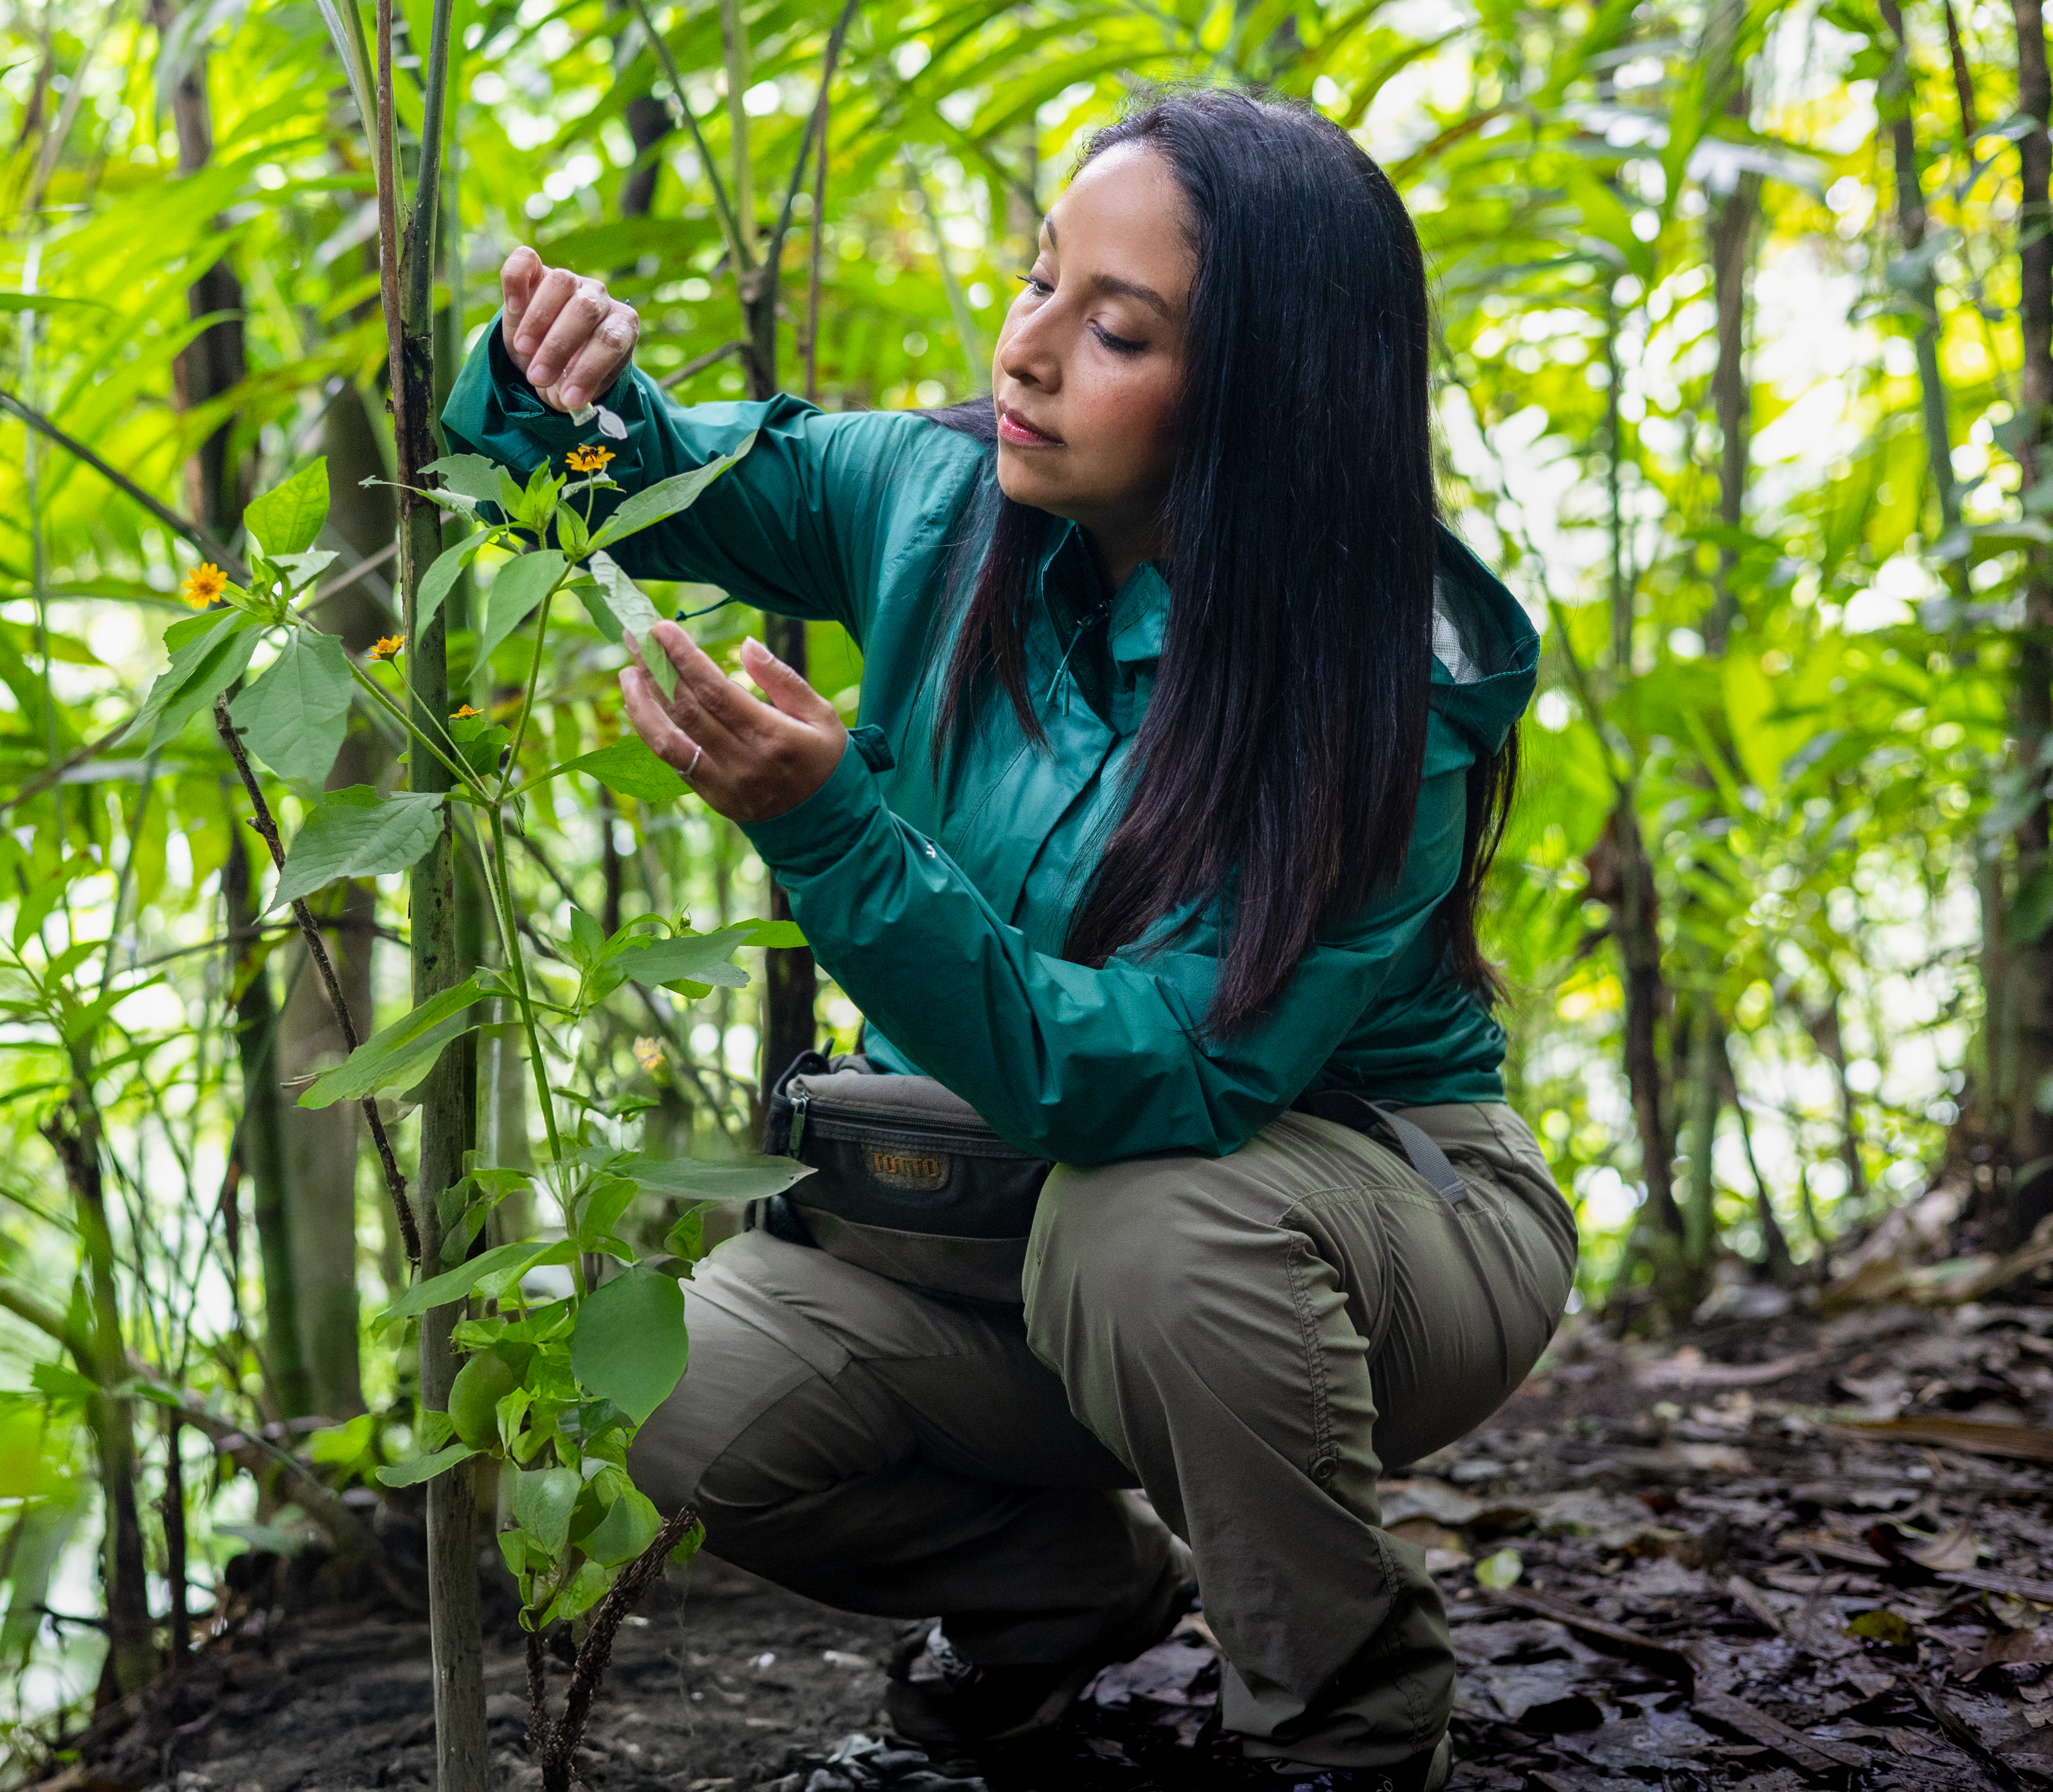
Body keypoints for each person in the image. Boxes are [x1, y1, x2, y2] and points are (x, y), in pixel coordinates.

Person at [442, 85, 1577, 1792]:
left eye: (1113, 328)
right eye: (1038, 282)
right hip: (1019, 1237)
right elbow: (651, 484)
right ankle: (1061, 1604)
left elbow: (1160, 1079)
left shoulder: (1379, 675)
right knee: (646, 1376)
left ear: (1266, 394)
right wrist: (558, 403)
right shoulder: (941, 501)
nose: (1027, 352)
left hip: (1376, 1214)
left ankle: (1339, 1724)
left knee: (1155, 1227)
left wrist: (831, 828)